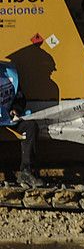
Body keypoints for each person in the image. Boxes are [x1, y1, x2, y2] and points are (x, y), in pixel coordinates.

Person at [1, 58, 42, 186]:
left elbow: (20, 97)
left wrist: (15, 109)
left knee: (31, 127)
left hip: (7, 117)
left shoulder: (9, 74)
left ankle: (26, 171)